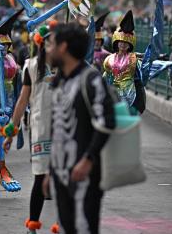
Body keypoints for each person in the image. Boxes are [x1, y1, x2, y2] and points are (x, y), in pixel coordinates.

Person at [44, 23, 116, 234]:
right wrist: (50, 171)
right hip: (60, 173)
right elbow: (56, 129)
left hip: (84, 174)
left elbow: (107, 122)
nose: (48, 50)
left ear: (63, 47)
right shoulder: (59, 82)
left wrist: (88, 159)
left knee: (84, 228)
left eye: (51, 44)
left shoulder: (91, 80)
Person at [3, 24, 54, 234]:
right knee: (41, 177)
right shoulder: (31, 67)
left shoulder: (69, 66)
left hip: (65, 129)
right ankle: (33, 224)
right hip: (41, 129)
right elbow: (22, 101)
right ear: (42, 45)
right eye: (50, 42)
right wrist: (11, 131)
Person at [102, 10, 145, 113]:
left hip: (130, 96)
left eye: (126, 43)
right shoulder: (109, 59)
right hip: (113, 95)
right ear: (116, 42)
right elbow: (105, 77)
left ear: (130, 45)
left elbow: (144, 70)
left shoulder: (134, 59)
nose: (123, 45)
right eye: (121, 42)